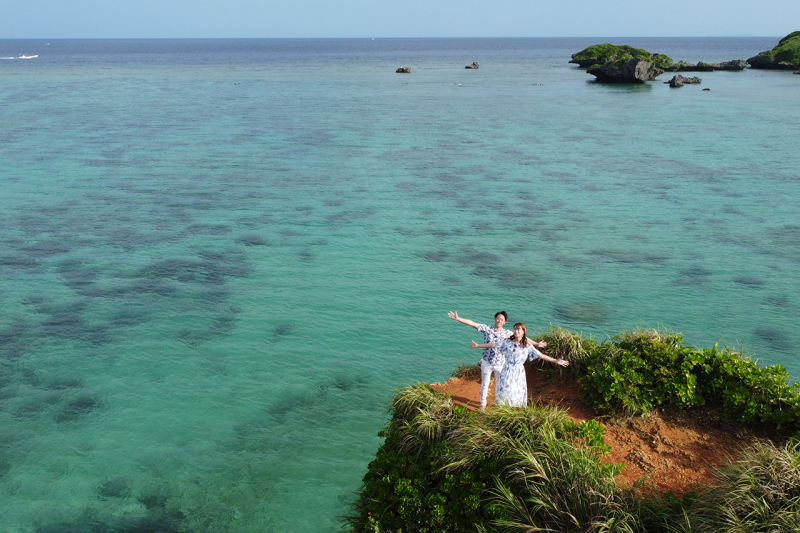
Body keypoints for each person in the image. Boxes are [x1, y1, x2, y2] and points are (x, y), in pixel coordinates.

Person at [448, 311, 546, 409]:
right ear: (495, 319)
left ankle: (499, 405)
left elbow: (524, 338)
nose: (499, 321)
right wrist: (458, 318)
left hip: (501, 364)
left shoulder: (508, 333)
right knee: (485, 384)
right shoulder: (487, 329)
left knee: (501, 386)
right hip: (487, 361)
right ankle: (483, 404)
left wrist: (537, 344)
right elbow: (473, 323)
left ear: (505, 322)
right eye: (498, 318)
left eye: (502, 319)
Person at [470, 323, 569, 408]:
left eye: (519, 329)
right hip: (507, 369)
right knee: (504, 391)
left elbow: (540, 355)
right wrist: (478, 345)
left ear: (523, 332)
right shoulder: (506, 342)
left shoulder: (527, 345)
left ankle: (513, 412)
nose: (516, 331)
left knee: (516, 392)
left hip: (518, 372)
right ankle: (502, 412)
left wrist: (556, 361)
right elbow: (493, 345)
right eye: (515, 329)